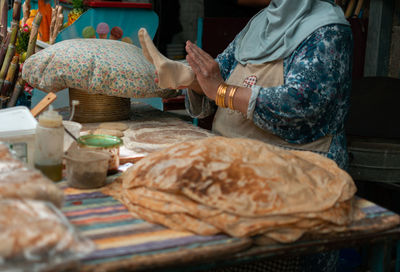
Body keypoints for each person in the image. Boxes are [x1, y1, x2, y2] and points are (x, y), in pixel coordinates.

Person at [139, 0, 353, 270]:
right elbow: (220, 75)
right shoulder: (262, 23)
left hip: (298, 173)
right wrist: (189, 77)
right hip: (238, 166)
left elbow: (302, 103)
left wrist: (222, 92)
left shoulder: (327, 30)